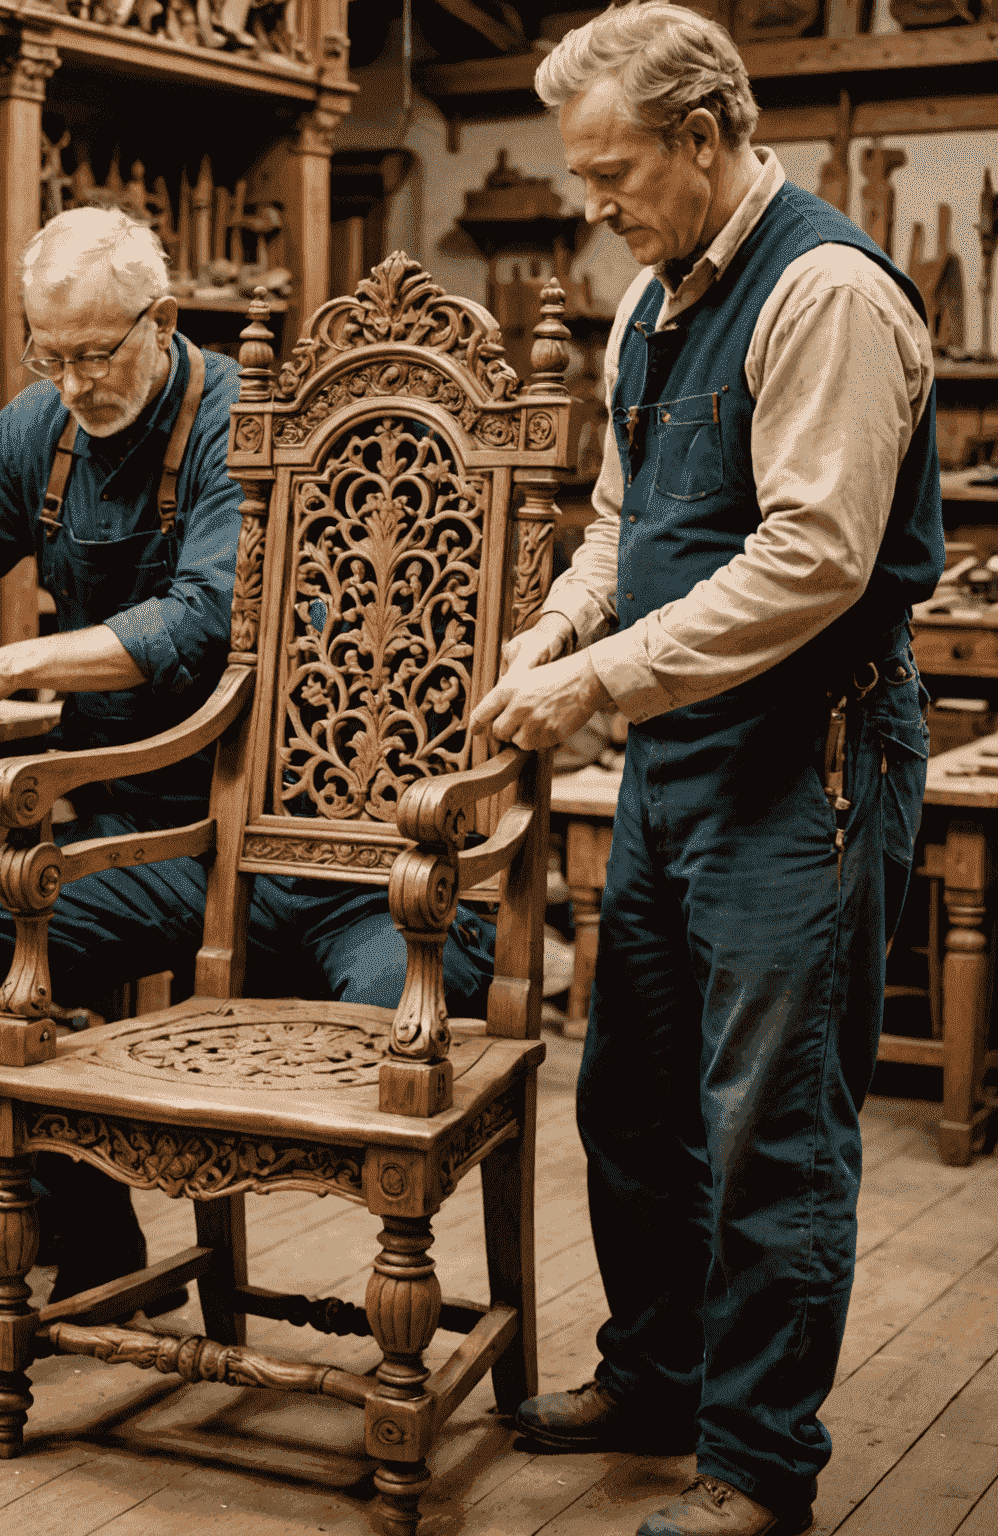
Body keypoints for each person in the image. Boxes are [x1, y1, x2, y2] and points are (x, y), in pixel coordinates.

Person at [0, 208, 499, 1340]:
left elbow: (210, 621)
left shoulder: (238, 422)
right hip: (154, 835)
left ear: (163, 320)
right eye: (48, 355)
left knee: (404, 1035)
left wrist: (7, 660)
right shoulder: (44, 421)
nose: (73, 381)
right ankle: (51, 1239)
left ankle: (399, 1345)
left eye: (96, 354)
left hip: (313, 844)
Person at [470, 8, 941, 1536]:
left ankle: (756, 1462)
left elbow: (812, 560)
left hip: (805, 769)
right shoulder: (649, 299)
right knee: (637, 1101)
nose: (593, 201)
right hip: (681, 761)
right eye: (583, 173)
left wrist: (593, 680)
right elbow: (624, 519)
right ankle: (657, 1372)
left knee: (773, 1124)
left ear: (703, 136)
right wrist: (552, 626)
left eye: (615, 171)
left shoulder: (825, 293)